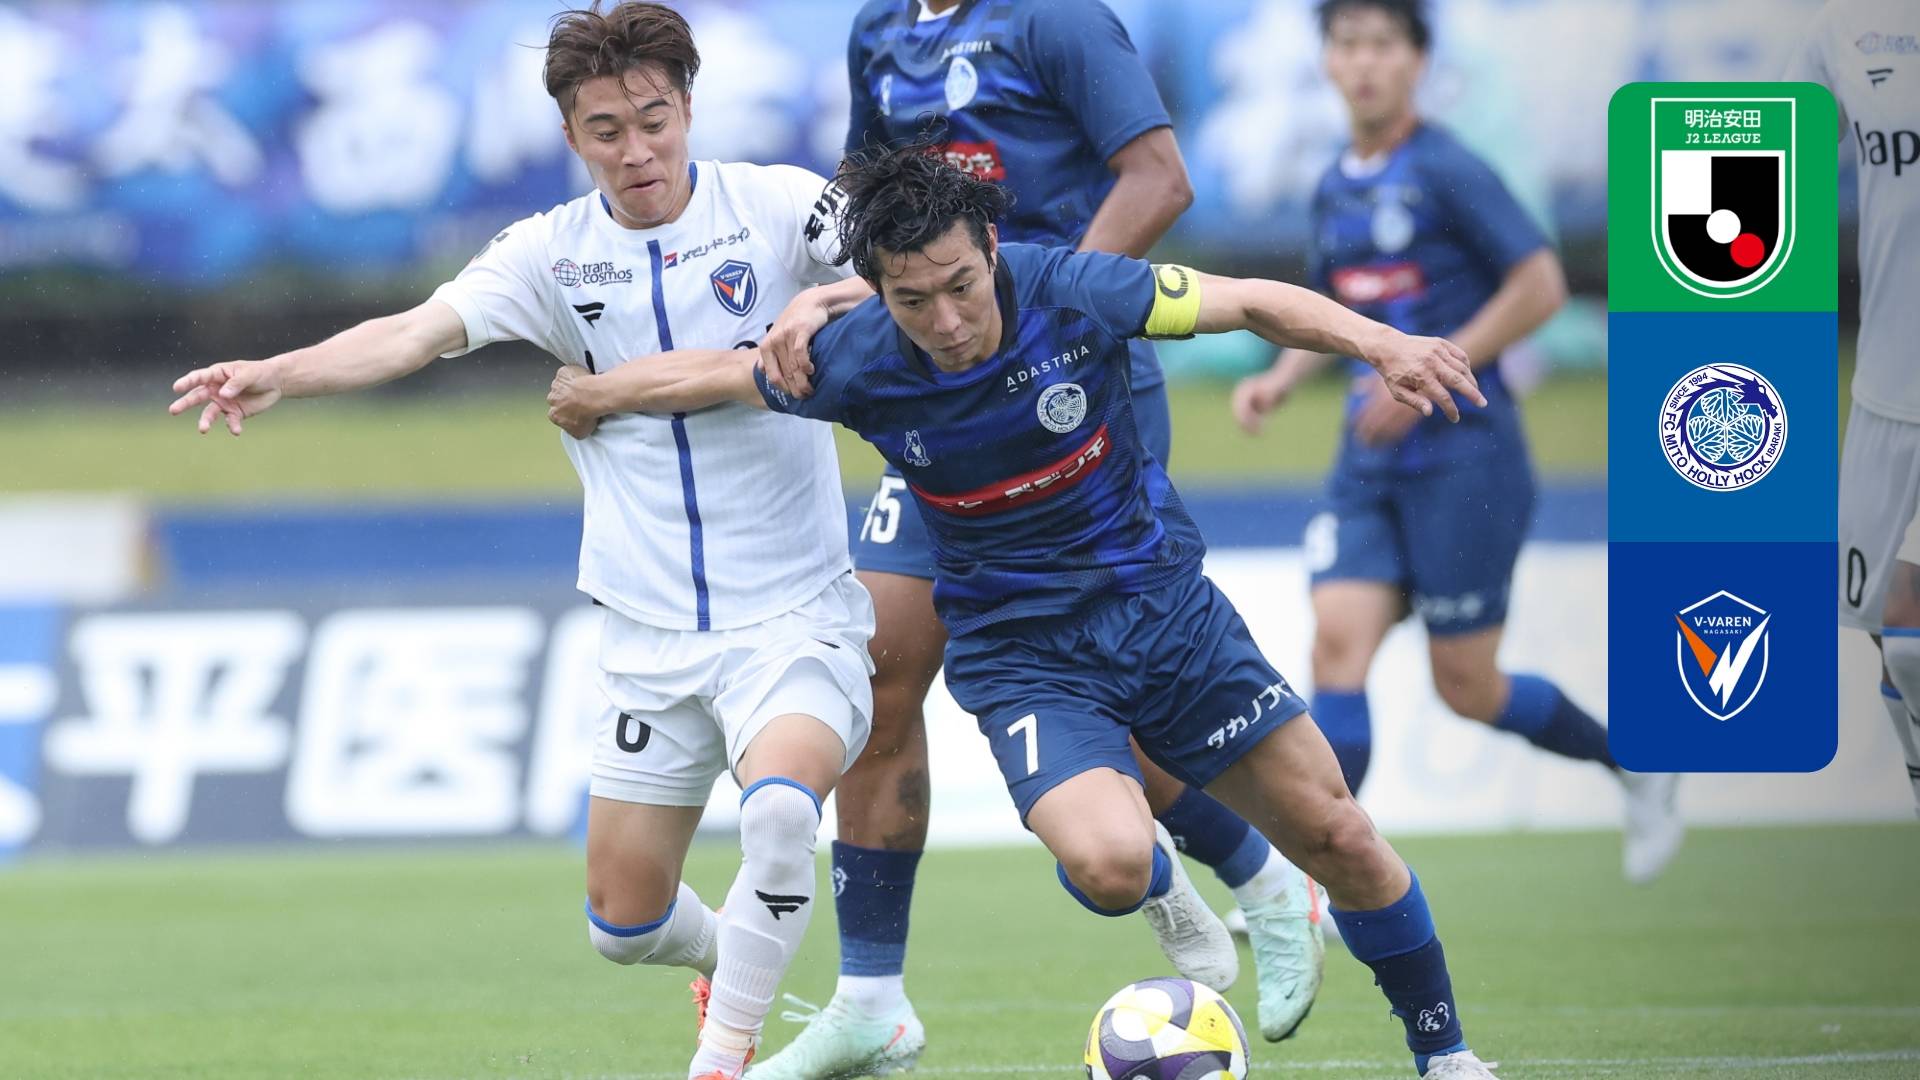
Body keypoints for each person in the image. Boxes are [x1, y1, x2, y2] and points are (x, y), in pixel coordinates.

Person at [546, 140, 1503, 1080]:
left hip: (1167, 614)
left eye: (961, 286)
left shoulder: (1075, 289)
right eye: (912, 300)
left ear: (992, 250)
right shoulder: (857, 360)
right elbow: (717, 375)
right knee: (1112, 867)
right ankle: (1163, 885)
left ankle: (1446, 1056)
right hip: (1024, 656)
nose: (947, 320)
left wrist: (1384, 343)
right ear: (872, 291)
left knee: (1340, 837)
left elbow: (1249, 301)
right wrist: (595, 394)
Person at [166, 5, 898, 1076]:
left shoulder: (782, 205)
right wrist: (278, 372)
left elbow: (917, 269)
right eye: (607, 130)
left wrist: (825, 302)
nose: (636, 149)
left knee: (781, 817)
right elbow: (412, 333)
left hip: (793, 615)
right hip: (647, 633)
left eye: (653, 119)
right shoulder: (549, 253)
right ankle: (730, 960)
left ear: (688, 107)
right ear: (570, 136)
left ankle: (725, 1057)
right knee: (624, 925)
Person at [744, 1, 1321, 1070]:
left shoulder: (1054, 20)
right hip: (944, 382)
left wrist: (1044, 327)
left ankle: (1263, 875)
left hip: (1065, 388)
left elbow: (1160, 180)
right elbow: (872, 211)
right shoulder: (879, 30)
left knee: (1099, 665)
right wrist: (837, 301)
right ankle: (871, 999)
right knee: (878, 666)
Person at [1229, 0, 1682, 883]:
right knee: (1336, 646)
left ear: (1417, 62)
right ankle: (1323, 879)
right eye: (1347, 45)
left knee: (1467, 686)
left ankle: (1634, 762)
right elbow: (1337, 307)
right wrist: (1281, 378)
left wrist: (1429, 372)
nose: (1364, 63)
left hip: (1466, 462)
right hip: (1369, 464)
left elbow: (1542, 286)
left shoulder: (1447, 167)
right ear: (1327, 62)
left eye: (1382, 45)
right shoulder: (1335, 182)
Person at [1786, 0, 1920, 816]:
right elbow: (1771, 162)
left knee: (1910, 633)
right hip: (1885, 392)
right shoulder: (1846, 28)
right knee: (1887, 638)